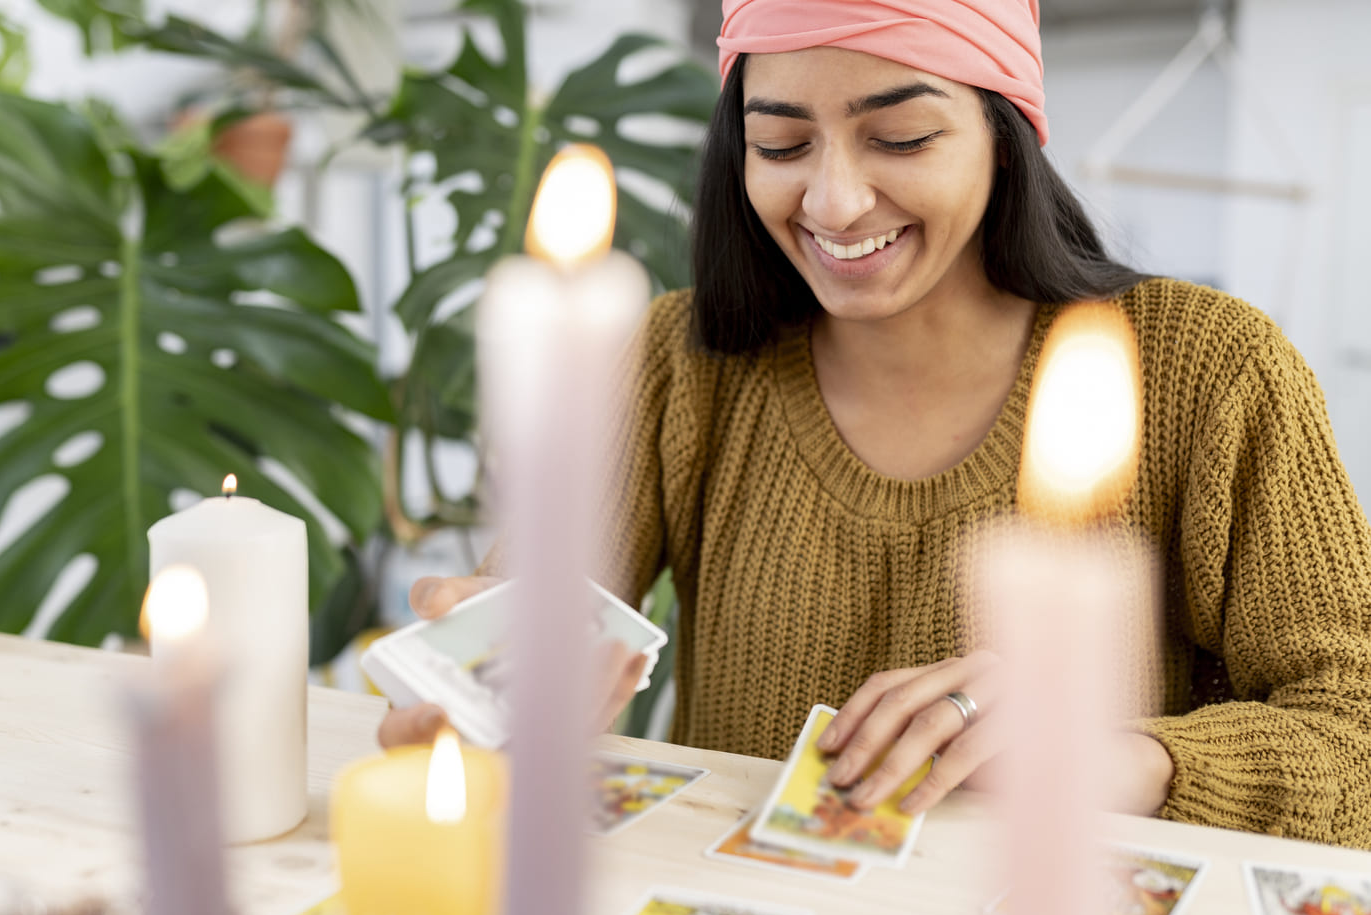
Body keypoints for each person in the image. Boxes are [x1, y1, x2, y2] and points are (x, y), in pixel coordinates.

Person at [384, 0, 1371, 848]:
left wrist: (1127, 758)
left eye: (900, 137)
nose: (834, 199)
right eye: (779, 145)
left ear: (1005, 130)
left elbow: (1352, 727)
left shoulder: (1213, 370)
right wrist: (465, 689)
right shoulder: (675, 363)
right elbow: (527, 630)